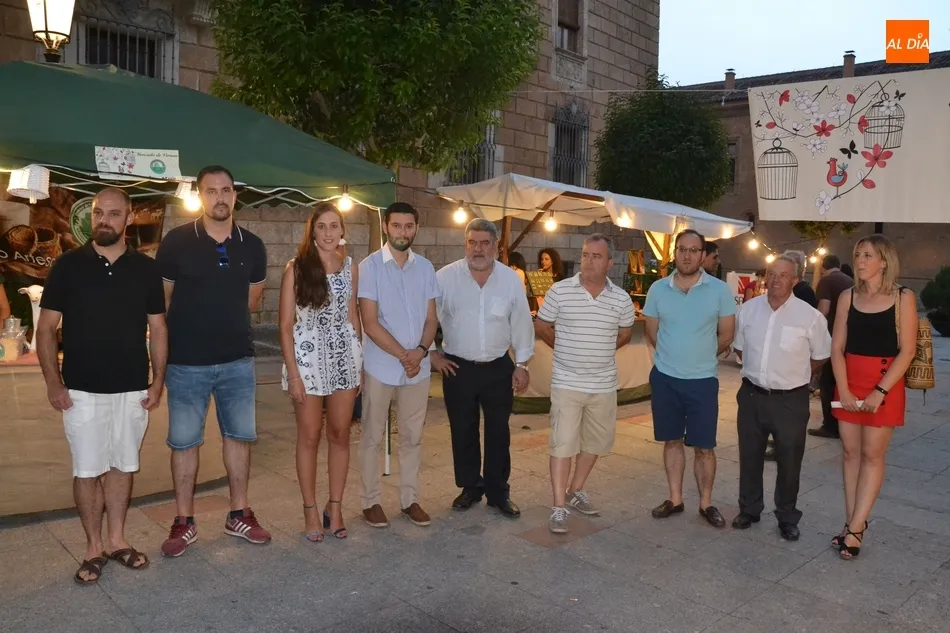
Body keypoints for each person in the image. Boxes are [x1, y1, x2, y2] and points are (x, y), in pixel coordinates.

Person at [36, 187, 167, 583]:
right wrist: (53, 383)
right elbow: (46, 329)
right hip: (81, 389)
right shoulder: (67, 266)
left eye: (113, 213)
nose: (104, 220)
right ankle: (93, 548)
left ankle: (117, 540)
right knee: (88, 469)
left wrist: (157, 381)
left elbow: (159, 328)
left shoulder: (146, 270)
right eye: (98, 213)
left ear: (129, 218)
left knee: (123, 465)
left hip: (132, 388)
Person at [156, 165, 271, 557]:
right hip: (186, 362)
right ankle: (184, 521)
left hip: (237, 361)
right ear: (199, 196)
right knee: (184, 442)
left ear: (235, 195)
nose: (219, 197)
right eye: (211, 190)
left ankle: (239, 514)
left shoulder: (253, 246)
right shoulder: (176, 242)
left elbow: (251, 302)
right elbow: (162, 301)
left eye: (226, 190)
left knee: (239, 438)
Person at [432, 218, 534, 517]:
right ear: (465, 244)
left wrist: (522, 364)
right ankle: (470, 487)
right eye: (472, 243)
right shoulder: (444, 278)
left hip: (498, 367)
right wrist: (431, 354)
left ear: (495, 246)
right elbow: (426, 318)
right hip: (457, 367)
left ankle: (498, 492)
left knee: (498, 431)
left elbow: (522, 323)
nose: (477, 249)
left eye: (484, 243)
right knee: (462, 429)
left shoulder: (510, 279)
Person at [534, 234, 635, 533]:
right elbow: (542, 325)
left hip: (603, 385)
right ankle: (558, 506)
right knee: (562, 443)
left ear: (609, 263)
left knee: (595, 443)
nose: (589, 261)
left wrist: (601, 351)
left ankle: (575, 489)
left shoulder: (621, 299)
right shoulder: (560, 291)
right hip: (567, 381)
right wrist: (563, 348)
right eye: (585, 255)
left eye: (596, 256)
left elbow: (626, 333)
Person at [731, 255, 831, 541]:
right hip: (752, 395)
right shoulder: (748, 311)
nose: (775, 280)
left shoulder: (810, 317)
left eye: (783, 275)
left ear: (795, 280)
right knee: (750, 455)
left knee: (789, 460)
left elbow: (820, 356)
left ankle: (787, 516)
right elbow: (740, 349)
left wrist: (793, 375)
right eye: (771, 274)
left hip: (790, 400)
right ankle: (749, 509)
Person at [830, 234, 917, 560]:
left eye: (867, 255)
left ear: (884, 261)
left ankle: (855, 528)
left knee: (872, 455)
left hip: (885, 383)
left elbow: (907, 351)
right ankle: (852, 522)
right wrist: (844, 388)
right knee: (850, 453)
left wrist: (880, 392)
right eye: (857, 255)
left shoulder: (903, 297)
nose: (860, 261)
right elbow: (836, 347)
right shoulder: (847, 296)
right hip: (849, 381)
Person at [280, 202, 362, 541]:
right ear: (312, 231)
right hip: (308, 359)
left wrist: (359, 363)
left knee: (340, 433)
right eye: (322, 226)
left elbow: (353, 315)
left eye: (334, 226)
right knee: (310, 435)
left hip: (344, 358)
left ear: (343, 230)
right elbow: (285, 326)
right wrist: (294, 374)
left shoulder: (351, 267)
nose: (328, 233)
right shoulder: (296, 268)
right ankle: (310, 510)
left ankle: (336, 507)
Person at [643, 229, 736, 528]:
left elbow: (727, 334)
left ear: (702, 255)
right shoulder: (658, 289)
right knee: (671, 441)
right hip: (665, 379)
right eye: (682, 249)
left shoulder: (720, 291)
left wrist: (701, 355)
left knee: (704, 446)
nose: (686, 255)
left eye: (693, 250)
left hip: (703, 381)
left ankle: (706, 503)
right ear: (675, 253)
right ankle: (675, 498)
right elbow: (651, 332)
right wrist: (673, 355)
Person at [357, 202, 438, 529]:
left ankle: (409, 500)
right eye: (396, 225)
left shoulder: (426, 268)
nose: (402, 232)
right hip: (381, 365)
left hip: (418, 367)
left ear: (416, 227)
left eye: (408, 226)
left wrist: (420, 351)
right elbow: (370, 322)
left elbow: (431, 319)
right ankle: (370, 501)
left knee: (412, 436)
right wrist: (405, 355)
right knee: (372, 436)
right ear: (386, 227)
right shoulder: (370, 267)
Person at [810, 254, 854, 439]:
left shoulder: (826, 281)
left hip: (832, 336)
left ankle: (830, 426)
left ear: (822, 266)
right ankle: (843, 423)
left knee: (827, 383)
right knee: (841, 381)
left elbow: (823, 311)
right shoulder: (849, 280)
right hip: (849, 337)